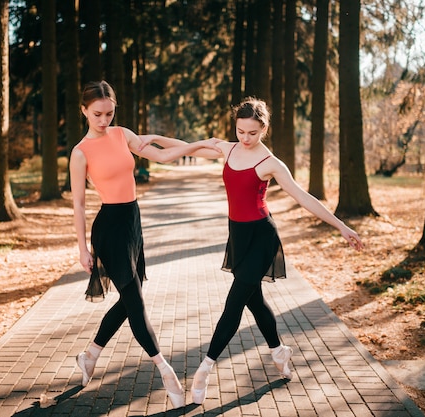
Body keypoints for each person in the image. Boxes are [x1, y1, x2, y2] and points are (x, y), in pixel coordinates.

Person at [140, 97, 364, 404]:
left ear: (264, 130)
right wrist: (154, 139)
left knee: (234, 303)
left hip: (261, 238)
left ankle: (205, 367)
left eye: (252, 133)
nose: (245, 138)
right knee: (254, 301)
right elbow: (188, 146)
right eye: (240, 131)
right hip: (238, 236)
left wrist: (341, 225)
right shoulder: (230, 148)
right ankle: (279, 351)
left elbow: (303, 196)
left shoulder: (271, 163)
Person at [70, 80, 218, 409]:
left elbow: (163, 155)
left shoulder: (122, 134)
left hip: (133, 222)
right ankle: (166, 372)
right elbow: (79, 204)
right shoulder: (80, 153)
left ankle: (89, 355)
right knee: (135, 303)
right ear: (84, 111)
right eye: (97, 114)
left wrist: (199, 145)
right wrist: (81, 248)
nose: (104, 120)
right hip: (109, 229)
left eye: (109, 113)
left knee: (129, 299)